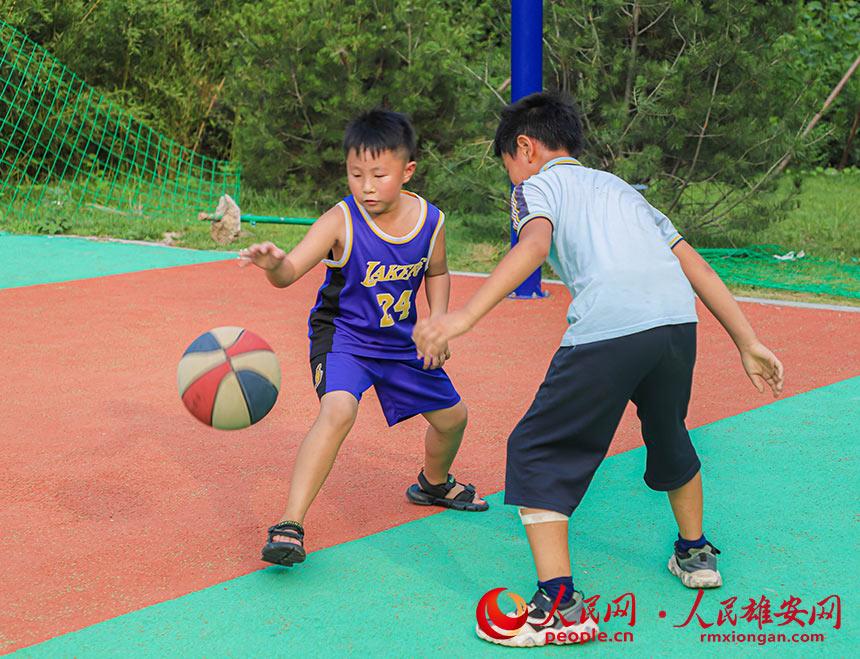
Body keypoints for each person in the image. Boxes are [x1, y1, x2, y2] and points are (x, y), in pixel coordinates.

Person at [413, 92, 784, 647]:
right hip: (676, 326)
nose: (511, 176)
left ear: (525, 147)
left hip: (610, 327)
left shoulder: (534, 187)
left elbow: (535, 245)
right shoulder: (621, 189)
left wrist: (463, 316)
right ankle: (695, 552)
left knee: (536, 449)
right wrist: (746, 340)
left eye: (508, 164)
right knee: (667, 430)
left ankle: (558, 604)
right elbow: (692, 263)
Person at [239, 109, 487, 568]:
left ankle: (433, 483)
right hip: (344, 337)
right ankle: (289, 525)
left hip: (400, 342)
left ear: (407, 170)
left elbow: (438, 271)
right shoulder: (340, 221)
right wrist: (274, 263)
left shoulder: (431, 222)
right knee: (338, 410)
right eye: (356, 174)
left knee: (454, 418)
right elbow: (290, 271)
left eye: (378, 174)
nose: (366, 186)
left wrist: (439, 323)